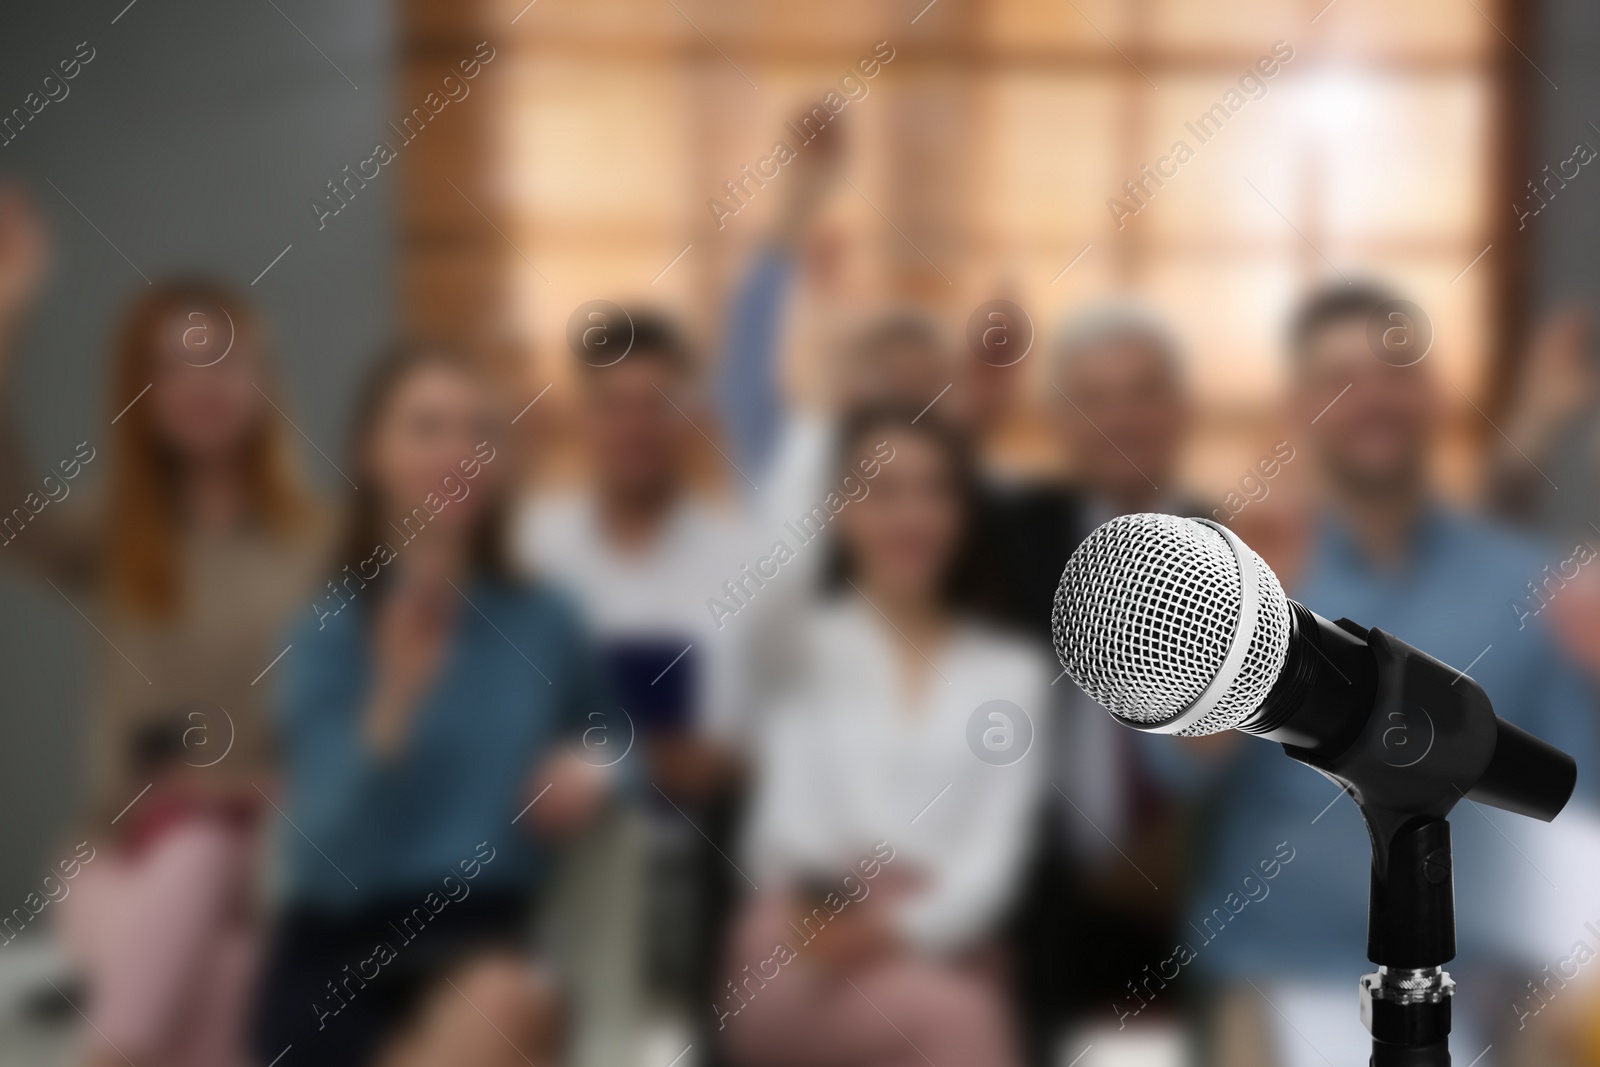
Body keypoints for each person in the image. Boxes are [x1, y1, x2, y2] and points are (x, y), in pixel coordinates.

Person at [1174, 282, 1600, 1067]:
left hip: (1492, 986)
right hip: (1273, 976)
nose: (1371, 397)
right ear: (1296, 409)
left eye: (1394, 370)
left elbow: (1574, 802)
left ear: (1435, 394)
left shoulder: (1529, 584)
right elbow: (1173, 775)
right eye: (1339, 378)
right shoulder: (1253, 577)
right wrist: (1235, 632)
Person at [0, 184, 326, 1067]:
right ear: (141, 393)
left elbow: (367, 721)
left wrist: (257, 792)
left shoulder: (328, 545)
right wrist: (10, 318)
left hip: (273, 871)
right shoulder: (108, 533)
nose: (204, 386)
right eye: (175, 367)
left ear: (263, 378)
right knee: (208, 924)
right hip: (119, 862)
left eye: (223, 361)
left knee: (227, 945)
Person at [250, 343, 617, 1067]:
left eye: (480, 430)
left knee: (504, 1000)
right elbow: (322, 857)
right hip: (340, 951)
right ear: (370, 453)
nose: (458, 451)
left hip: (484, 940)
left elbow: (617, 736)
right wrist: (392, 699)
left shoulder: (545, 620)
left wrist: (595, 767)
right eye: (426, 428)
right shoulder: (327, 630)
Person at [719, 407, 1049, 1067]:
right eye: (881, 491)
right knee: (962, 1025)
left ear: (963, 512)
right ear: (837, 509)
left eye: (935, 490)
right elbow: (774, 558)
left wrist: (897, 928)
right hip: (799, 937)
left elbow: (993, 860)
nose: (912, 516)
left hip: (942, 943)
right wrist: (821, 401)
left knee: (963, 1009)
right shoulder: (795, 645)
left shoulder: (1013, 675)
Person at [515, 312, 750, 1028]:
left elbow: (754, 746)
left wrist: (703, 761)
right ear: (579, 420)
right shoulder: (528, 547)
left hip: (703, 849)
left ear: (693, 420)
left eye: (659, 405)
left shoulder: (745, 555)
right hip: (547, 844)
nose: (635, 426)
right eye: (612, 405)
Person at [991, 303, 1207, 1062]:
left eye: (1143, 392)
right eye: (1094, 398)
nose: (1122, 418)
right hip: (1035, 897)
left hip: (1206, 895)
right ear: (1060, 421)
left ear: (1183, 410)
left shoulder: (1245, 544)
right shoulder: (1001, 536)